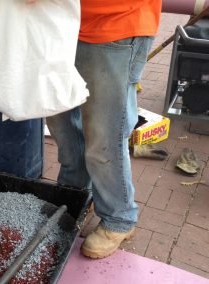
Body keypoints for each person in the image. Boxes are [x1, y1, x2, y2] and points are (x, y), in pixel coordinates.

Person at [46, 1, 162, 259]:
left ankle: (119, 218)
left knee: (104, 135)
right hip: (58, 26)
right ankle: (75, 196)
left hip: (114, 24)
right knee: (63, 127)